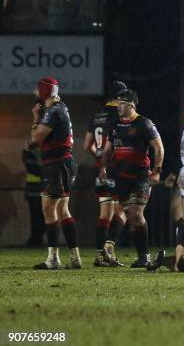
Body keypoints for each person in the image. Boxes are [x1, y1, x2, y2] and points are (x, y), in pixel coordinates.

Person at [99, 89, 164, 267]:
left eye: (121, 104)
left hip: (140, 177)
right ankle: (110, 249)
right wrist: (102, 168)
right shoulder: (115, 124)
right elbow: (107, 150)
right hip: (121, 177)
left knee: (135, 213)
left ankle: (144, 256)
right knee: (122, 212)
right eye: (117, 104)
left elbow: (159, 147)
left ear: (131, 105)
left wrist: (157, 170)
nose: (118, 107)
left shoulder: (144, 123)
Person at [27, 77, 82, 269]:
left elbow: (35, 140)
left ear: (44, 92)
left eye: (37, 90)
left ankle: (53, 259)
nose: (35, 93)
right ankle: (75, 258)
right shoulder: (62, 107)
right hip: (65, 162)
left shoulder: (52, 111)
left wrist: (35, 118)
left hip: (56, 165)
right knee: (62, 210)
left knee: (48, 209)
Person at [84, 81, 129, 267]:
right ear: (119, 97)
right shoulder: (118, 115)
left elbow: (87, 145)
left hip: (99, 170)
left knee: (104, 215)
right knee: (123, 210)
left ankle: (99, 255)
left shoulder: (97, 115)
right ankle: (108, 251)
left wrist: (100, 156)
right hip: (116, 169)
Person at [22, 147, 44, 247]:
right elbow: (31, 168)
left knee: (41, 217)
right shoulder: (30, 149)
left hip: (40, 189)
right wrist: (47, 173)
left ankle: (36, 239)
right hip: (34, 190)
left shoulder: (40, 149)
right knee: (37, 217)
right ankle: (35, 239)